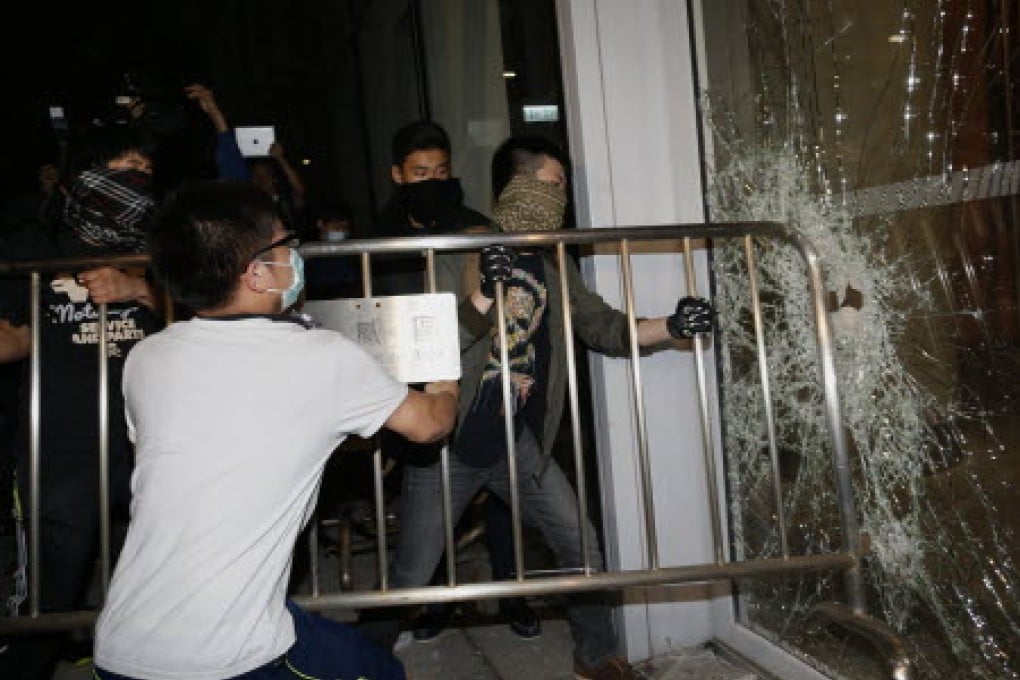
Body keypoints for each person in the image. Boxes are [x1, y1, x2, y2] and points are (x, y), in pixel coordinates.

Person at [89, 180, 458, 680]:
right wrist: (447, 376)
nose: (295, 254)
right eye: (286, 244)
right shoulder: (320, 358)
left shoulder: (147, 358)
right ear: (257, 274)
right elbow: (428, 424)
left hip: (119, 645)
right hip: (229, 658)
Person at [378, 134, 714, 680]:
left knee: (581, 546)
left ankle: (596, 657)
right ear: (518, 184)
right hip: (449, 443)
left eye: (562, 188)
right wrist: (485, 292)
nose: (560, 197)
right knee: (410, 573)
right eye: (552, 184)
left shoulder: (556, 261)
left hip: (519, 445)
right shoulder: (458, 252)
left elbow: (601, 325)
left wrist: (671, 327)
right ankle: (357, 661)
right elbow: (434, 345)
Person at [0, 123, 165, 680]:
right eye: (122, 172)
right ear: (84, 182)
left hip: (150, 448)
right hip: (61, 449)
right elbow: (16, 337)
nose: (135, 184)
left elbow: (204, 321)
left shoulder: (163, 249)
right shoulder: (35, 248)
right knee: (48, 602)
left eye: (144, 173)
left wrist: (141, 289)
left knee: (161, 596)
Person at [365, 120, 540, 642]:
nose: (433, 180)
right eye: (421, 172)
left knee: (506, 496)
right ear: (398, 174)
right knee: (426, 498)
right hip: (413, 384)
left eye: (441, 170)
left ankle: (514, 593)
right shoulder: (380, 237)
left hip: (480, 375)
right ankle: (434, 602)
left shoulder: (474, 228)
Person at [303, 196, 359, 300]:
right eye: (336, 227)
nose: (340, 232)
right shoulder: (307, 253)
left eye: (344, 228)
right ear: (320, 224)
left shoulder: (349, 254)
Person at [249, 141, 309, 238]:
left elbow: (298, 189)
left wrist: (280, 158)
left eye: (264, 175)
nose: (261, 181)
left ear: (273, 178)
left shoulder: (286, 200)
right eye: (256, 176)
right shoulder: (253, 205)